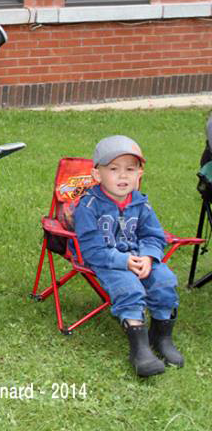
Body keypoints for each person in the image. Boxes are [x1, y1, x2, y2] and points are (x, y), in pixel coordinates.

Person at [72, 135, 183, 377]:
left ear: (139, 174)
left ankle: (161, 336)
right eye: (114, 169)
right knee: (129, 287)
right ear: (97, 175)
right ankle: (139, 349)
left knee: (165, 281)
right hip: (106, 261)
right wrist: (123, 261)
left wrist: (149, 257)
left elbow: (154, 236)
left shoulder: (141, 204)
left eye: (130, 169)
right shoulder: (88, 207)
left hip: (139, 257)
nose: (123, 176)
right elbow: (91, 250)